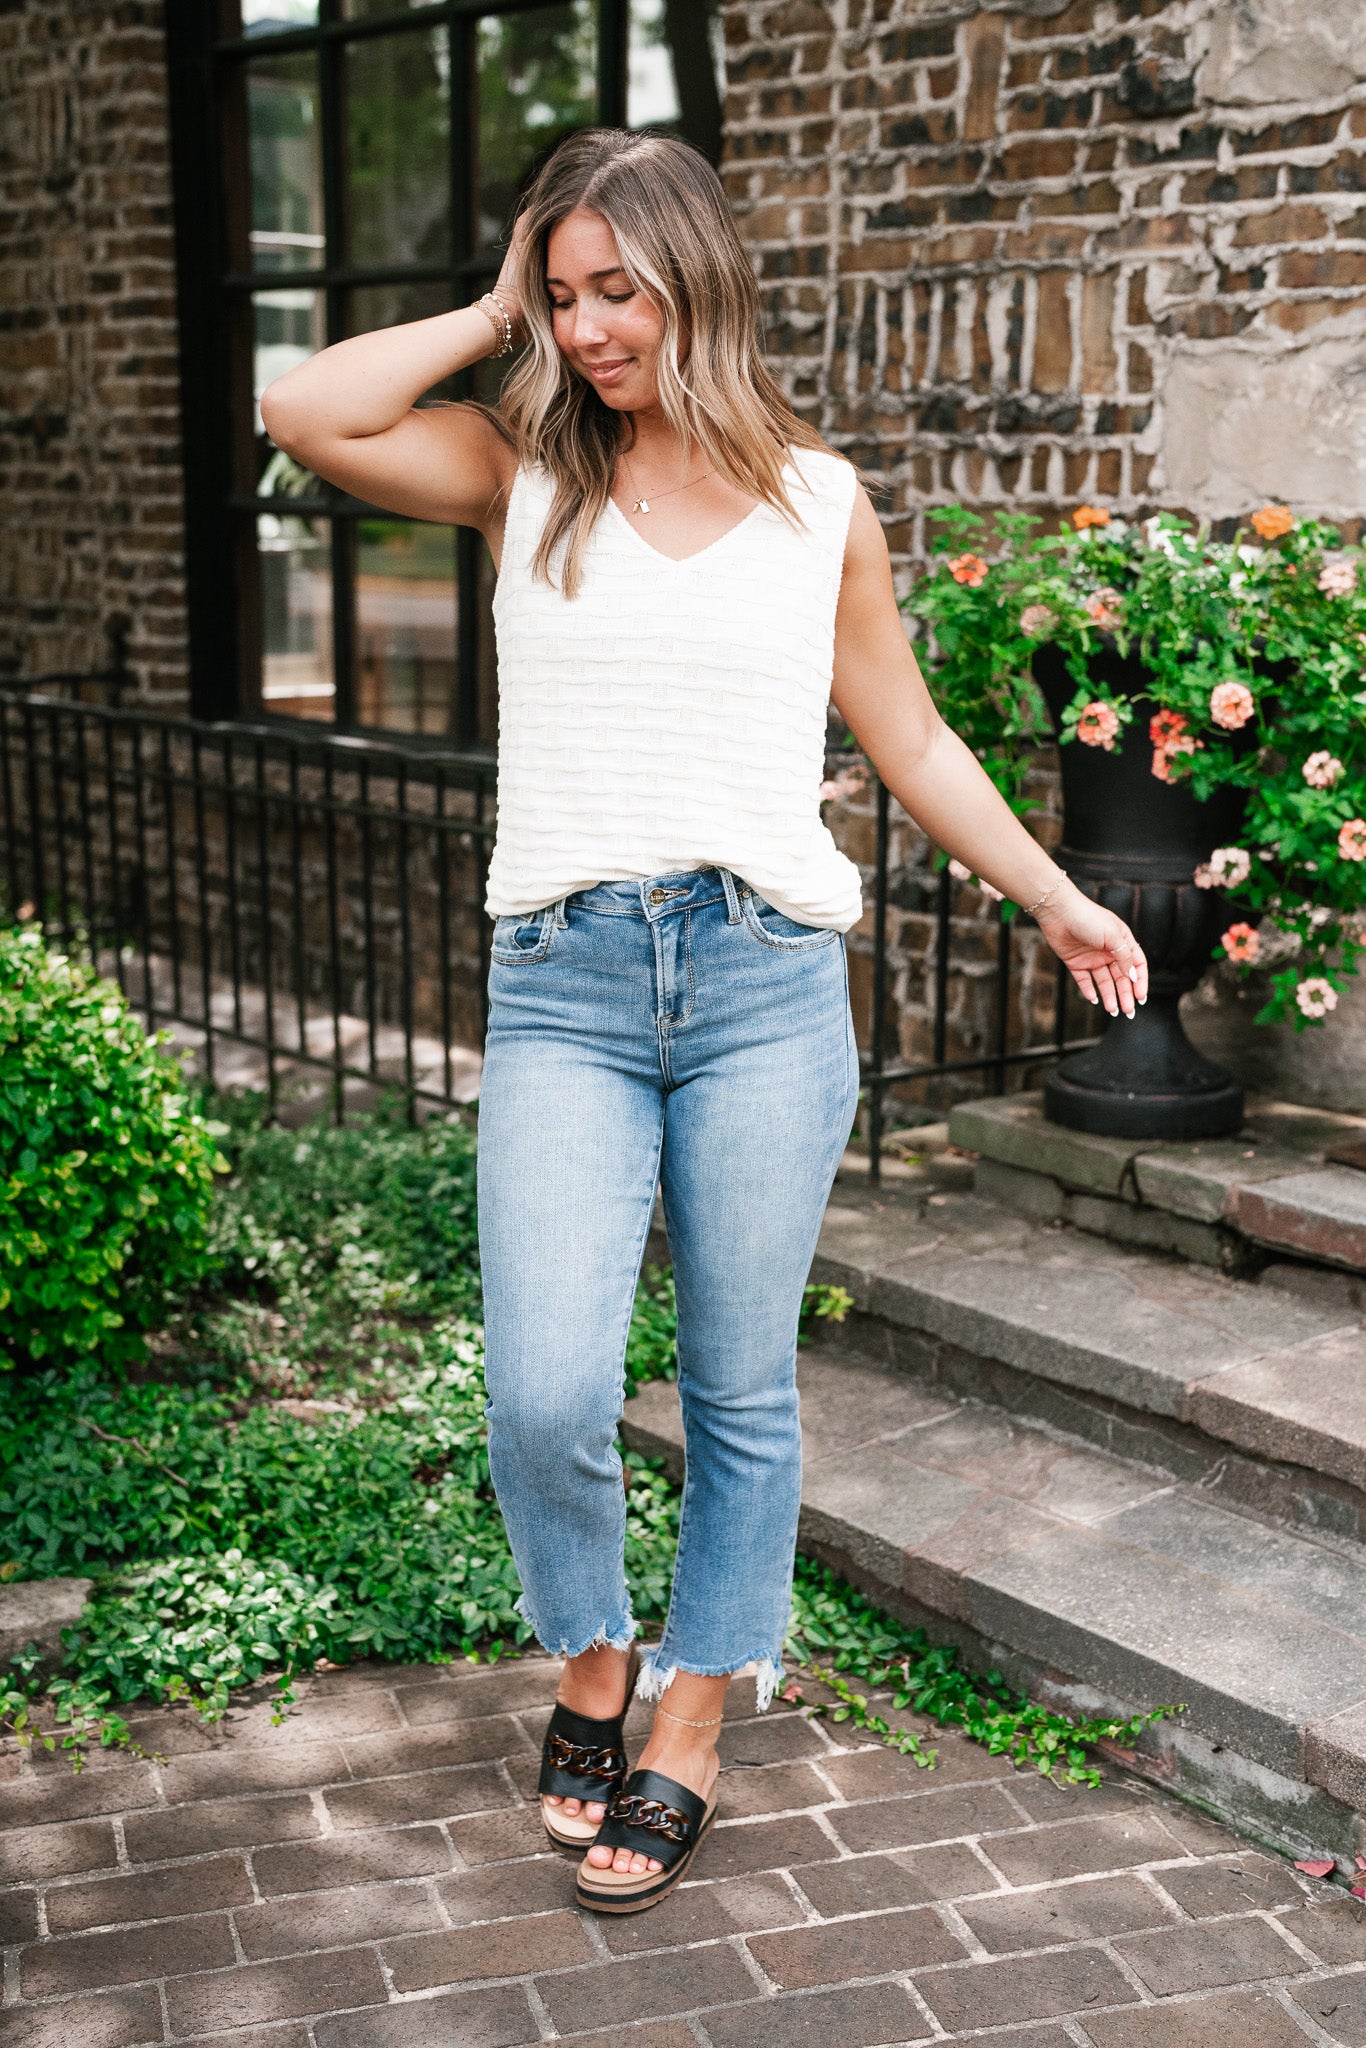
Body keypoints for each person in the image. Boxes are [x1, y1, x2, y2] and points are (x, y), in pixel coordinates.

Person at [261, 126, 1148, 1916]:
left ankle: (688, 1718)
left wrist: (1050, 893)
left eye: (616, 290)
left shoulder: (821, 500)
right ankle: (588, 1654)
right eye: (565, 294)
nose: (590, 329)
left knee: (740, 1390)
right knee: (545, 1389)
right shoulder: (523, 473)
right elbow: (309, 410)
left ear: (700, 280)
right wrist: (493, 302)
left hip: (760, 985)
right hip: (568, 987)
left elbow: (906, 737)